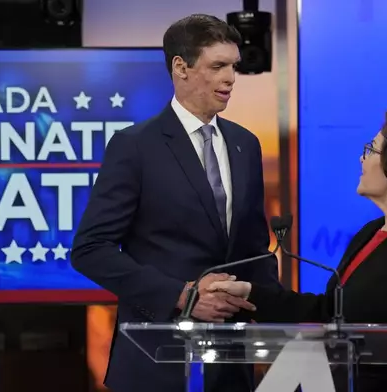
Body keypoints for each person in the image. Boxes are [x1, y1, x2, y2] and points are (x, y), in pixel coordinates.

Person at [71, 13, 282, 392]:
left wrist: (280, 314)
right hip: (156, 358)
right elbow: (90, 249)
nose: (230, 78)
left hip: (228, 363)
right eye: (217, 66)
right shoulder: (135, 146)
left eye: (233, 66)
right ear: (180, 68)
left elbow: (253, 248)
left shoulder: (245, 144)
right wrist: (182, 297)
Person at [208, 103, 387, 392]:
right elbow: (329, 311)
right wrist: (251, 294)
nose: (361, 158)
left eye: (370, 150)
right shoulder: (371, 232)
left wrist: (363, 345)